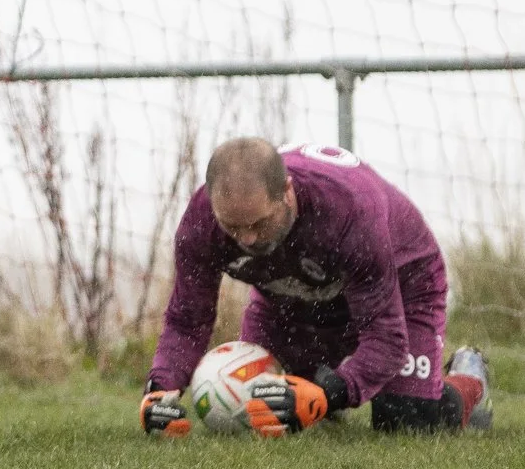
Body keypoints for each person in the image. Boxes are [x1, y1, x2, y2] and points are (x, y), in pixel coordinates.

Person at [140, 139, 488, 438]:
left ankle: (469, 378)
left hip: (402, 283)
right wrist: (160, 390)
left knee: (407, 418)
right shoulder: (201, 224)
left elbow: (386, 338)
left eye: (259, 224)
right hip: (289, 302)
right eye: (233, 227)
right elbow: (187, 319)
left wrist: (327, 393)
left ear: (287, 192)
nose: (246, 239)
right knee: (265, 410)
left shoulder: (347, 211)